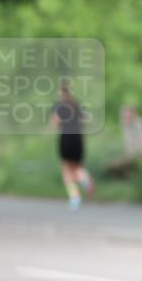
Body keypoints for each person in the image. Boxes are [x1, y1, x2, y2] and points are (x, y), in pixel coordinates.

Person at [49, 81, 95, 211]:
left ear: (61, 92)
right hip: (78, 138)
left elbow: (55, 123)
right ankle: (85, 179)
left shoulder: (59, 106)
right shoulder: (77, 104)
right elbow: (86, 119)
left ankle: (75, 198)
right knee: (77, 166)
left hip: (66, 138)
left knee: (66, 169)